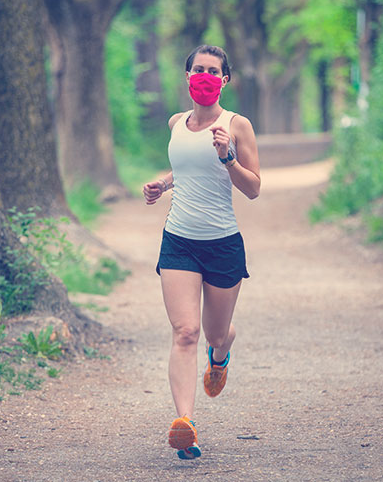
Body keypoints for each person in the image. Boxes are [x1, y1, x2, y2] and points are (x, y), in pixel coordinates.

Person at [142, 44, 260, 460]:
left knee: (214, 333)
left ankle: (221, 355)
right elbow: (188, 168)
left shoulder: (237, 125)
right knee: (185, 332)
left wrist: (228, 157)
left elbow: (253, 188)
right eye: (198, 69)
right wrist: (164, 183)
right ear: (187, 75)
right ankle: (186, 424)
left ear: (225, 79)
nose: (204, 76)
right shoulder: (176, 123)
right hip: (179, 240)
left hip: (223, 243)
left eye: (213, 70)